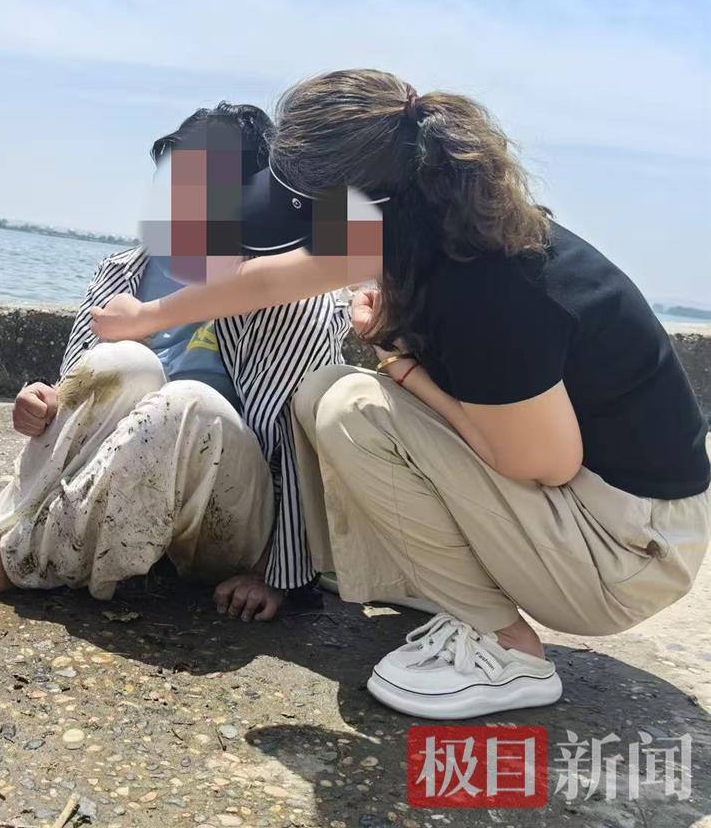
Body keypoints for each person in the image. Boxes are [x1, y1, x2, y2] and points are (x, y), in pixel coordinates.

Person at [88, 69, 710, 719]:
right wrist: (147, 317)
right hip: (605, 514)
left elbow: (542, 462)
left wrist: (399, 364)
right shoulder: (436, 225)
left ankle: (506, 649)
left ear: (356, 202)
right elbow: (270, 280)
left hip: (628, 555)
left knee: (353, 409)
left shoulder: (487, 284)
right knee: (330, 394)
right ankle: (439, 584)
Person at [0, 104, 349, 619]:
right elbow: (79, 396)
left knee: (190, 402)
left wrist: (277, 574)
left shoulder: (293, 294)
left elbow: (300, 442)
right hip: (129, 501)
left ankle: (12, 560)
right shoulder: (124, 271)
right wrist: (44, 401)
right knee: (126, 361)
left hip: (227, 518)